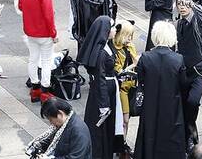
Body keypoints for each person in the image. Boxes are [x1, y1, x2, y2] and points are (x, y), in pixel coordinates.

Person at [134, 21, 187, 159]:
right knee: (171, 139)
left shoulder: (145, 58)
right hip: (172, 108)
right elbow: (183, 85)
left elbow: (141, 82)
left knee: (150, 136)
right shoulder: (178, 59)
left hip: (150, 107)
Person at [80, 16, 118, 159]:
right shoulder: (101, 53)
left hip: (106, 90)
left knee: (105, 129)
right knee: (100, 129)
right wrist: (104, 104)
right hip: (103, 94)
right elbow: (100, 79)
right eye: (112, 27)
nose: (115, 30)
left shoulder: (105, 47)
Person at [19, 0, 57, 103]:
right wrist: (54, 34)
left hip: (30, 32)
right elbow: (49, 16)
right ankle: (45, 91)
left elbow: (21, 7)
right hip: (45, 34)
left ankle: (34, 89)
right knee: (46, 61)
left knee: (33, 59)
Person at [175, 0, 202, 152]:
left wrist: (192, 4)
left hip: (199, 71)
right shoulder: (179, 24)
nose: (182, 7)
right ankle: (190, 138)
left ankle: (190, 138)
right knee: (183, 106)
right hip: (184, 71)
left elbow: (201, 13)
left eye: (185, 4)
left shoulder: (197, 21)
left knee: (193, 102)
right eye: (179, 4)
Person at [28, 98, 92, 159]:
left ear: (60, 114)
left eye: (51, 119)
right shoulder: (63, 125)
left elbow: (77, 157)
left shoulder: (78, 130)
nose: (51, 123)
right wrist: (40, 145)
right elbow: (53, 141)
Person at [113, 19, 138, 154]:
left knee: (126, 120)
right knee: (125, 119)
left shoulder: (130, 46)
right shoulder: (114, 50)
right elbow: (117, 70)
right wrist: (132, 65)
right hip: (121, 87)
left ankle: (123, 143)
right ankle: (121, 144)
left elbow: (137, 64)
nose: (130, 38)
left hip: (131, 86)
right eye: (128, 35)